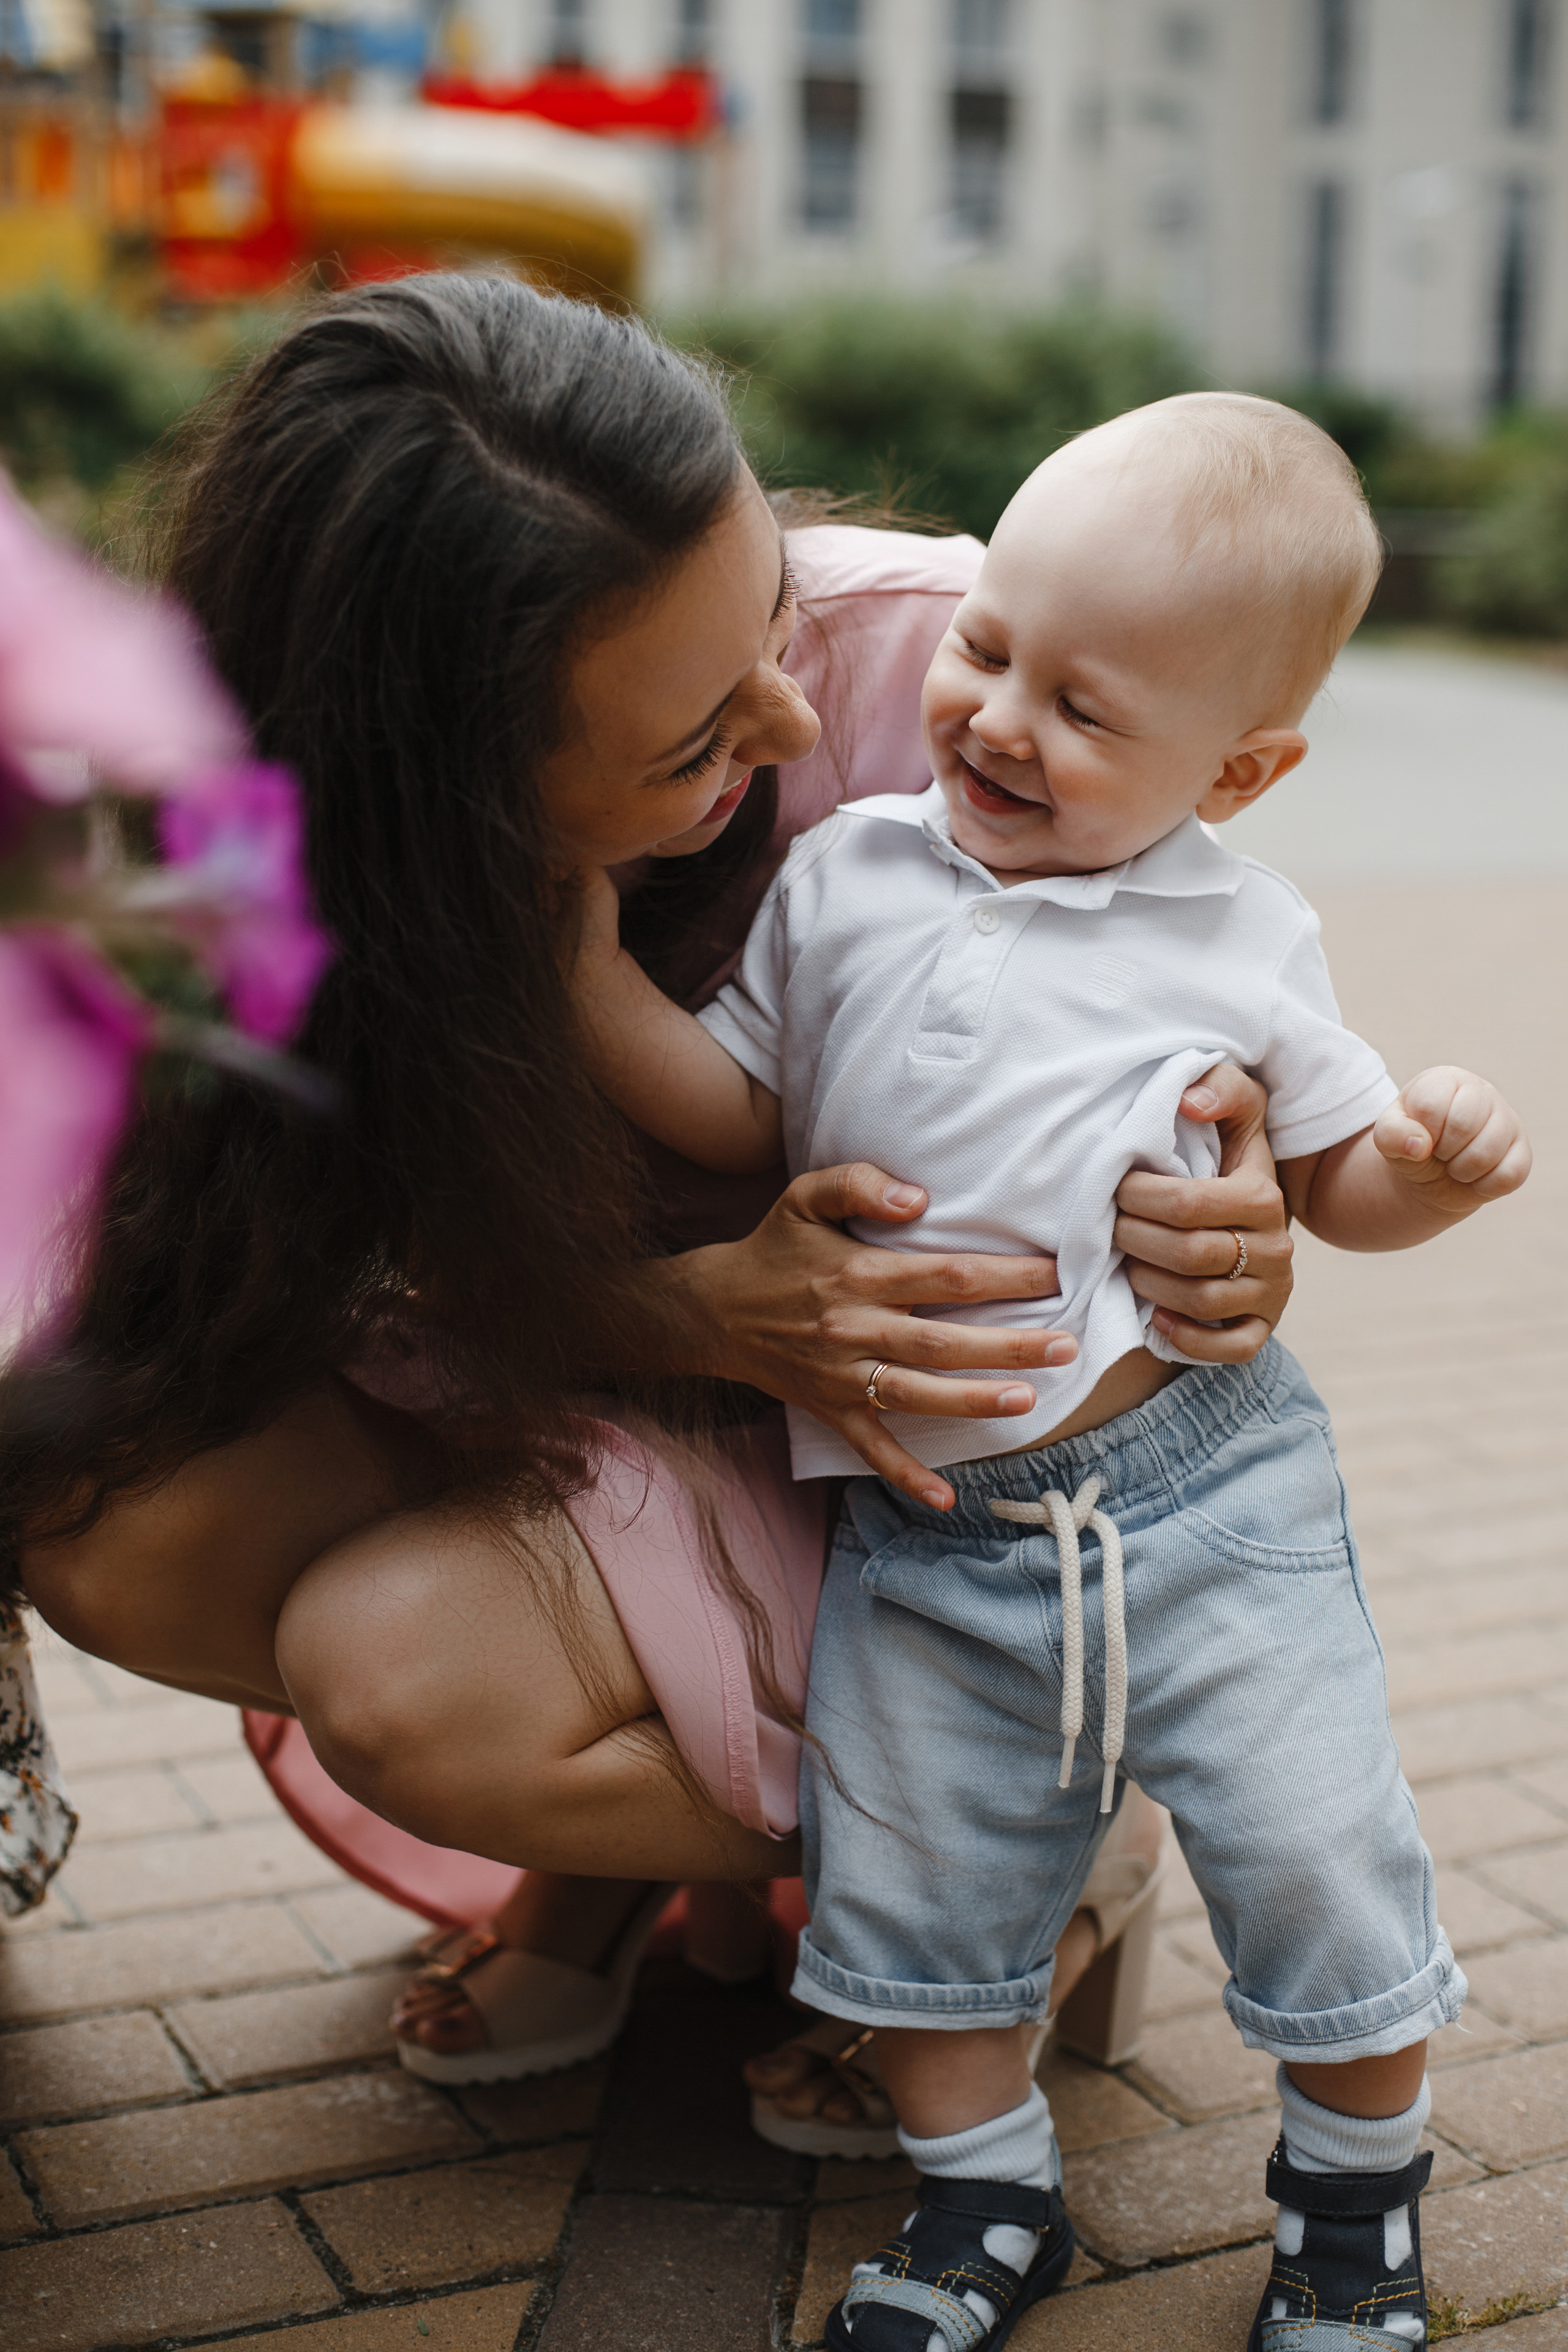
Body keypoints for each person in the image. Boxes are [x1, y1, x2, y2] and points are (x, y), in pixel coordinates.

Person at [6, 280, 1292, 2154]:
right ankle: (628, 1845)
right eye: (694, 744)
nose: (792, 708)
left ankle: (1029, 1835)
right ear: (444, 815)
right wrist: (693, 1312)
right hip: (624, 1381)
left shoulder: (964, 671)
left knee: (405, 1680)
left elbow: (1228, 1027)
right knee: (103, 1511)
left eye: (769, 602)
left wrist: (1246, 1203)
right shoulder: (275, 875)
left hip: (930, 1469)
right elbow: (316, 1277)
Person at [566, 393, 1531, 2351]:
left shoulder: (1240, 931)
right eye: (988, 650)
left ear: (1240, 771)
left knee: (1316, 1850)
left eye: (1084, 709)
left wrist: (1426, 1174)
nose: (1000, 721)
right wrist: (575, 963)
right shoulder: (845, 878)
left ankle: (1355, 2219)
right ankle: (986, 2203)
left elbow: (1330, 1182)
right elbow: (737, 1110)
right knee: (916, 1907)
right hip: (926, 1533)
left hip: (1201, 1495)